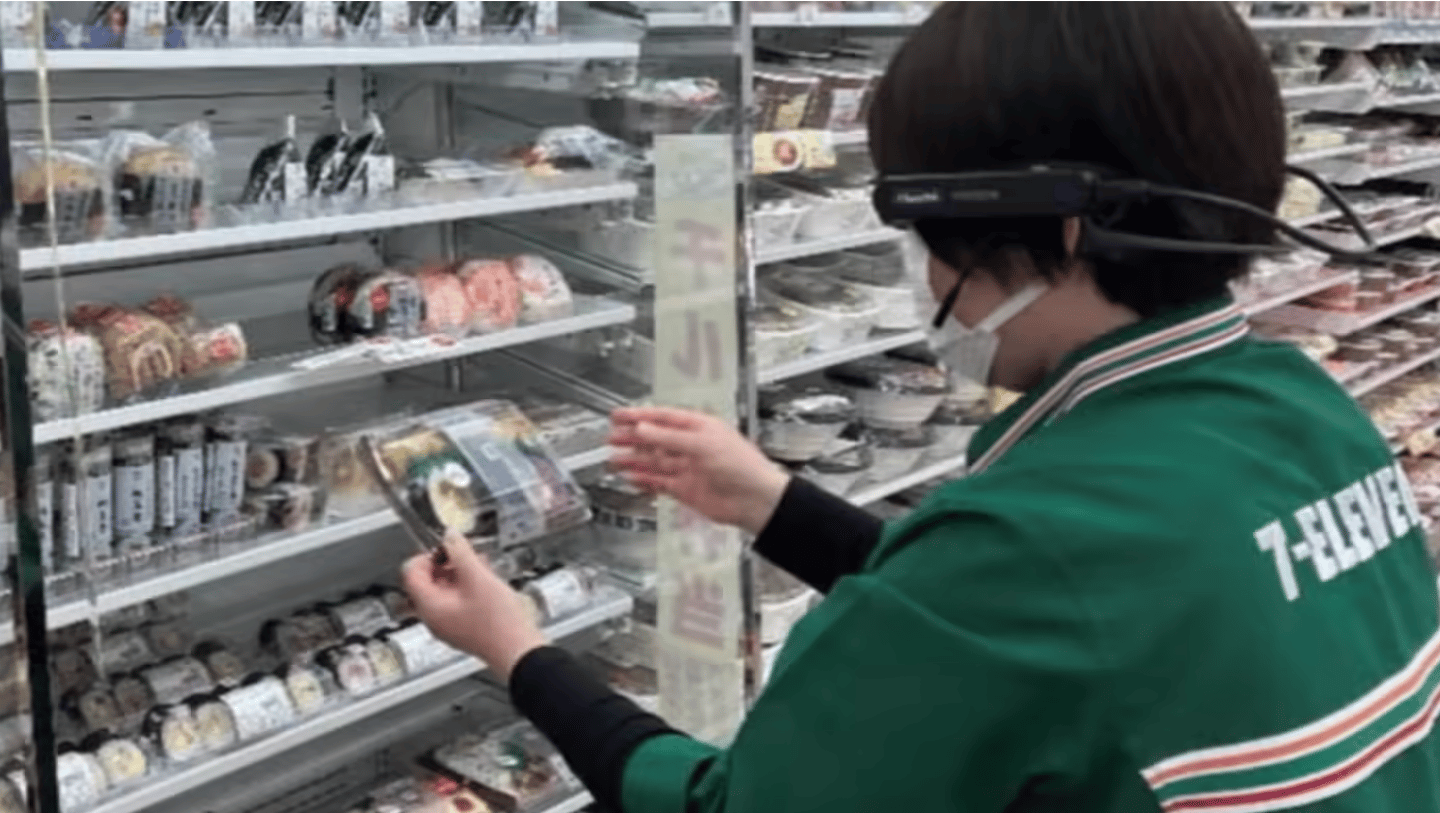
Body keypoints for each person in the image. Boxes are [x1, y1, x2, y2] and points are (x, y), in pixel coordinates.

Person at [402, 3, 1440, 812]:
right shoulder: (1301, 408)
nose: (916, 266)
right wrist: (777, 503)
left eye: (914, 219)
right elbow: (1048, 646)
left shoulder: (1030, 545)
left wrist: (522, 652)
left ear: (1052, 227)